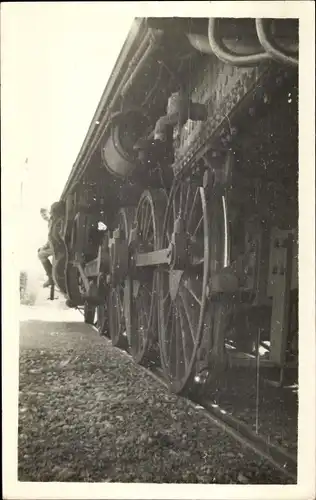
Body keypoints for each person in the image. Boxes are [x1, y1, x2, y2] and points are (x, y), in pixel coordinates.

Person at [38, 208, 54, 288]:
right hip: (54, 245)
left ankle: (51, 278)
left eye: (44, 214)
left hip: (58, 247)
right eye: (42, 216)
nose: (44, 217)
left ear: (49, 212)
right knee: (40, 251)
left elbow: (52, 237)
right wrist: (44, 246)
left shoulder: (53, 221)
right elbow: (50, 237)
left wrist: (46, 246)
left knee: (41, 255)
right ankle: (52, 276)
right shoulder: (50, 222)